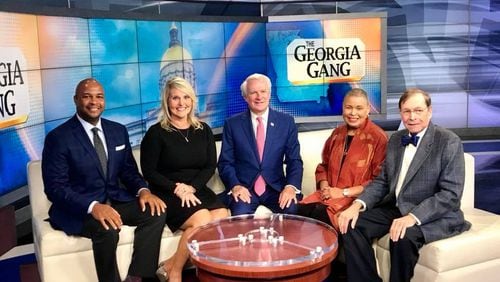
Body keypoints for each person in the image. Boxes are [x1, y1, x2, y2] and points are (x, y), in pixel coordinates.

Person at [338, 88, 471, 282]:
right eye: (406, 111)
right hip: (398, 207)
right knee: (352, 223)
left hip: (434, 214)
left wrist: (413, 217)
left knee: (402, 235)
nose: (412, 117)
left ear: (429, 111)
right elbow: (382, 181)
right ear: (401, 113)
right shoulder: (396, 139)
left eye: (418, 110)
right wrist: (356, 205)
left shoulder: (448, 141)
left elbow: (450, 194)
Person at [42, 78, 167, 282]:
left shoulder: (118, 130)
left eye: (99, 96)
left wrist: (143, 191)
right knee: (107, 229)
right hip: (80, 209)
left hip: (115, 200)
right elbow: (55, 188)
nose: (94, 101)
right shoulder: (59, 138)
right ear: (75, 100)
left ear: (104, 100)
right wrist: (93, 207)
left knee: (156, 211)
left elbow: (128, 171)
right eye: (87, 96)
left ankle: (137, 276)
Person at [140, 77, 228, 282]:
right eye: (175, 98)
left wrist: (192, 188)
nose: (181, 103)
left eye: (186, 97)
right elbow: (149, 171)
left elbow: (209, 166)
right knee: (202, 219)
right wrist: (177, 188)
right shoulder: (156, 133)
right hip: (168, 192)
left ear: (193, 100)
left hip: (195, 189)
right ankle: (176, 271)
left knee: (222, 214)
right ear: (167, 101)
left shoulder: (203, 130)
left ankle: (170, 263)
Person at [298, 88, 388, 230]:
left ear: (368, 110)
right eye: (349, 107)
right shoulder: (337, 133)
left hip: (354, 199)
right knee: (299, 212)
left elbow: (378, 182)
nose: (353, 113)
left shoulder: (378, 138)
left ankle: (329, 252)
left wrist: (342, 192)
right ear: (342, 108)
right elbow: (324, 167)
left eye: (359, 108)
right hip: (328, 196)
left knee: (320, 215)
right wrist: (325, 188)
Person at [218, 73, 303, 215]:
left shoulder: (286, 122)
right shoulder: (232, 124)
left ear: (269, 94)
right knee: (240, 212)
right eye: (253, 93)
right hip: (245, 189)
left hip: (276, 188)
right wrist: (236, 186)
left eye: (263, 91)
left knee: (291, 208)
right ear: (245, 97)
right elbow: (225, 163)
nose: (259, 97)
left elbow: (294, 161)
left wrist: (290, 187)